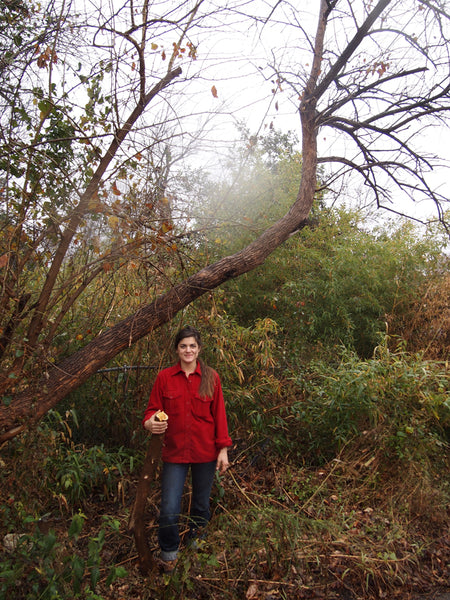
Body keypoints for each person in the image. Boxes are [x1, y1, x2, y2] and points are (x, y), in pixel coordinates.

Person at [143, 325, 232, 571]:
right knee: (170, 506)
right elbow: (151, 411)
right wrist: (150, 423)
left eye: (192, 346)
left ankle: (196, 546)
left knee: (201, 505)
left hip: (205, 452)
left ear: (199, 349)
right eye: (183, 346)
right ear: (176, 350)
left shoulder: (211, 377)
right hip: (175, 453)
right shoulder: (164, 378)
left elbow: (219, 415)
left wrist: (223, 449)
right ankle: (169, 554)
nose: (188, 350)